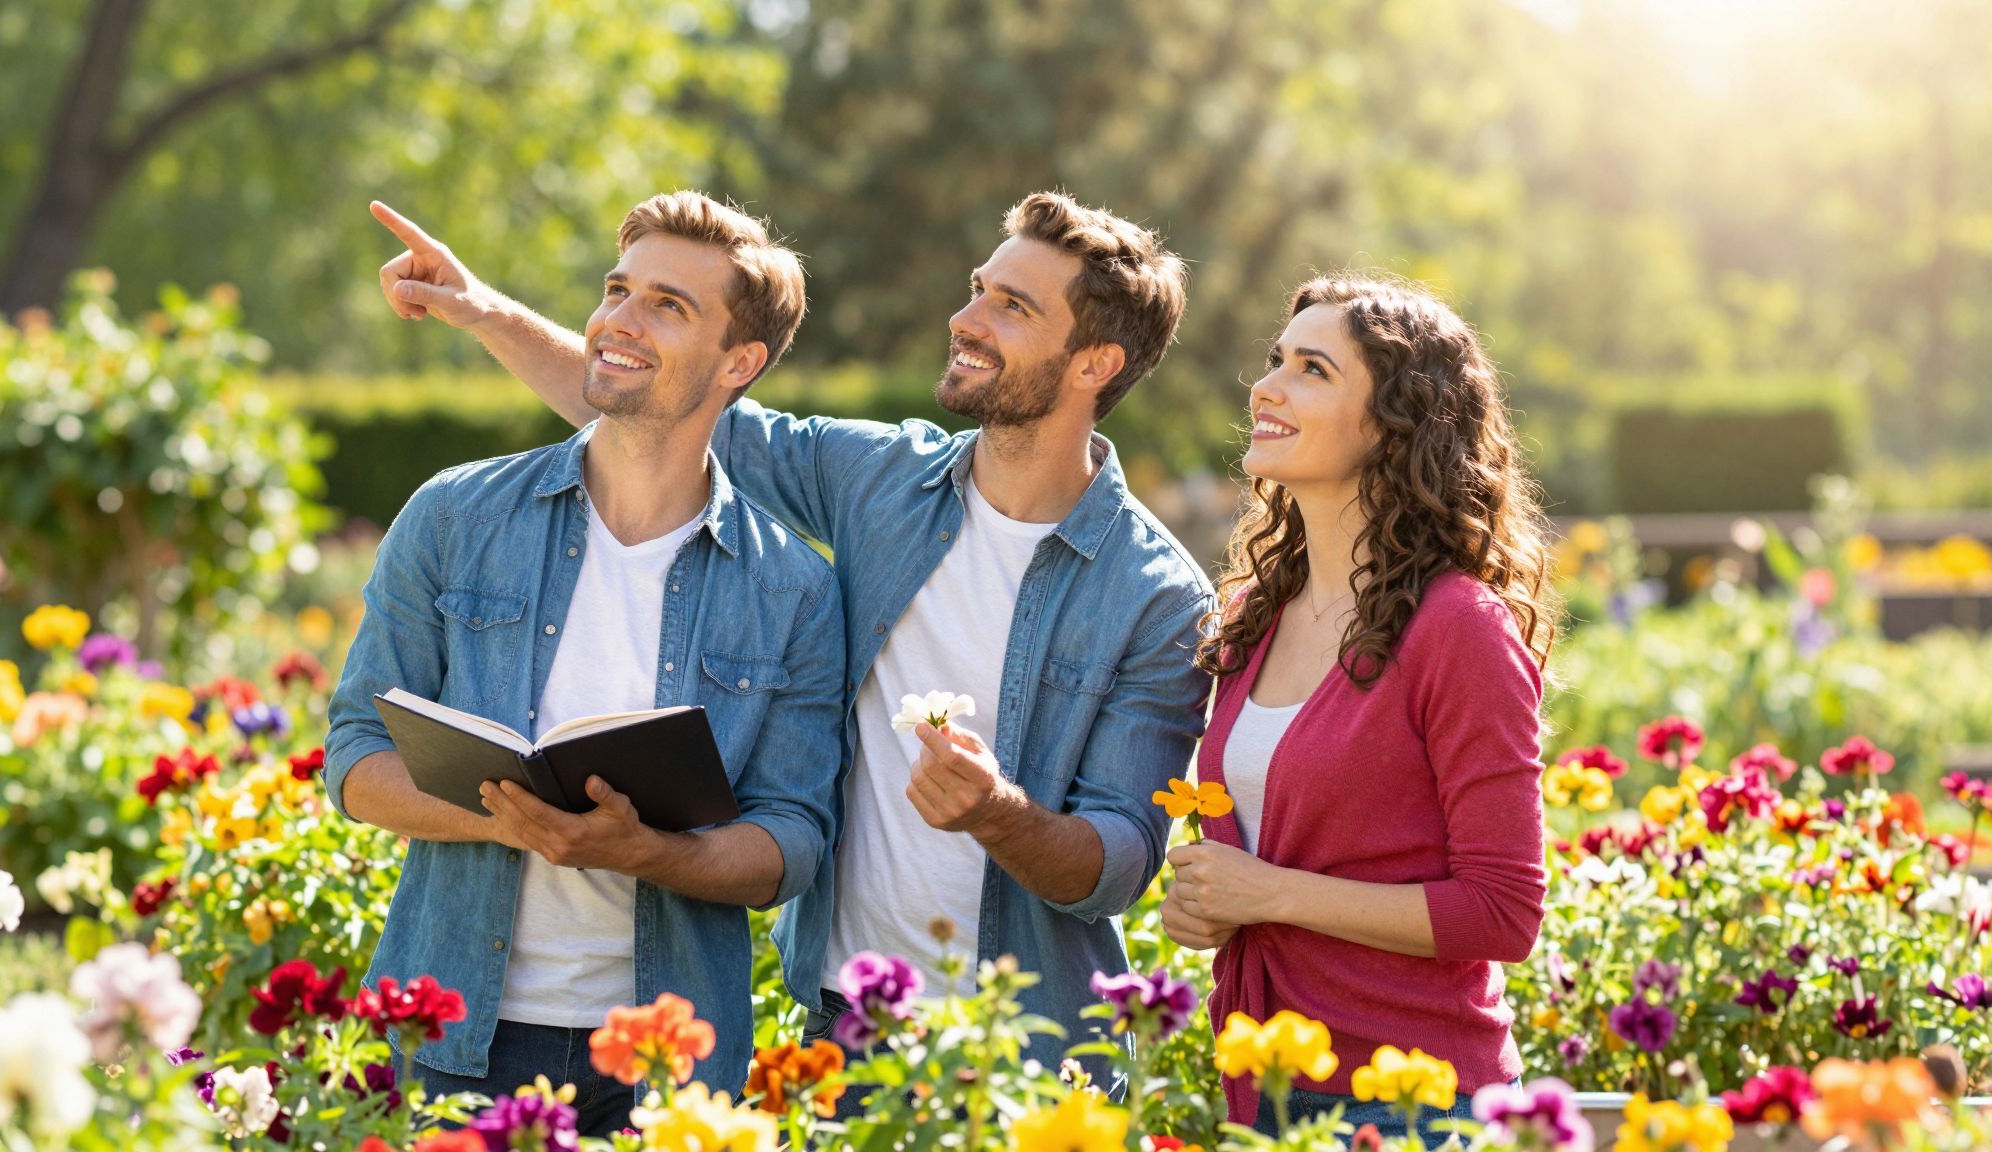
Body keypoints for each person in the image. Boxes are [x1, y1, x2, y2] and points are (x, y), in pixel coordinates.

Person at [370, 190, 1214, 1084]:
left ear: (1096, 363)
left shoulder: (1159, 600)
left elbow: (1116, 865)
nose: (964, 319)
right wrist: (482, 310)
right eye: (978, 288)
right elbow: (672, 407)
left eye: (1012, 306)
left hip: (1037, 1054)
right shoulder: (879, 482)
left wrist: (993, 814)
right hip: (844, 1030)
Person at [325, 192, 844, 1134]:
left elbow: (792, 842)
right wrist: (510, 824)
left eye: (667, 305)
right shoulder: (456, 516)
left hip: (668, 1071)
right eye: (617, 289)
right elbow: (355, 760)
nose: (617, 321)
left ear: (741, 363)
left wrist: (644, 853)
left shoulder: (795, 592)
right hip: (446, 1040)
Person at [1161, 274, 1556, 1134]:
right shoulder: (1255, 615)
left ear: (1393, 424)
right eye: (1275, 361)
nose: (1266, 388)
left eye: (1312, 370)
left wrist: (1267, 893)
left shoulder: (1457, 628)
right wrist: (1211, 902)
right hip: (1263, 1085)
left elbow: (1503, 910)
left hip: (1412, 1100)